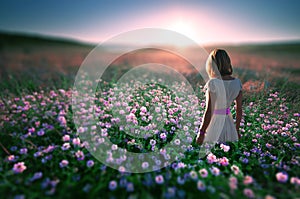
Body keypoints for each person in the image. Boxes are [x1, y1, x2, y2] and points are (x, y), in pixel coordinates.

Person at [196, 49, 242, 145]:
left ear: (213, 64)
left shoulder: (213, 83)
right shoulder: (237, 83)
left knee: (213, 154)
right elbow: (239, 110)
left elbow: (209, 111)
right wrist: (236, 129)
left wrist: (202, 132)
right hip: (229, 123)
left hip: (214, 123)